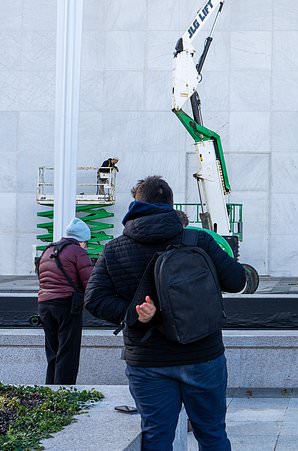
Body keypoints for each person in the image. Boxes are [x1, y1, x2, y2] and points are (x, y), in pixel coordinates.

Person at [85, 175, 246, 451]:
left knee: (157, 438)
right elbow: (237, 281)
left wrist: (136, 314)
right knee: (212, 434)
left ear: (136, 205)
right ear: (171, 205)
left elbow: (93, 299)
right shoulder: (198, 240)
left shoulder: (114, 249)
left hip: (148, 361)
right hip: (202, 355)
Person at [36, 218, 94, 385]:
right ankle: (64, 391)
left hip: (44, 305)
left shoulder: (49, 249)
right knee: (68, 352)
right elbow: (89, 281)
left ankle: (50, 390)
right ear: (82, 240)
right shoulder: (77, 252)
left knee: (53, 351)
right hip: (66, 305)